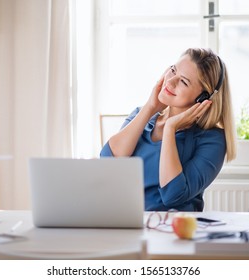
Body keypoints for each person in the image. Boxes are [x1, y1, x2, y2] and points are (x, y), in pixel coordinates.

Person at [100, 48, 236, 211]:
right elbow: (108, 161)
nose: (170, 82)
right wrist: (150, 107)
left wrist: (170, 128)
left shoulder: (212, 139)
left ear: (203, 99)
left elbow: (172, 195)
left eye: (184, 82)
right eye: (173, 70)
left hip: (171, 230)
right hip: (126, 222)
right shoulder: (141, 115)